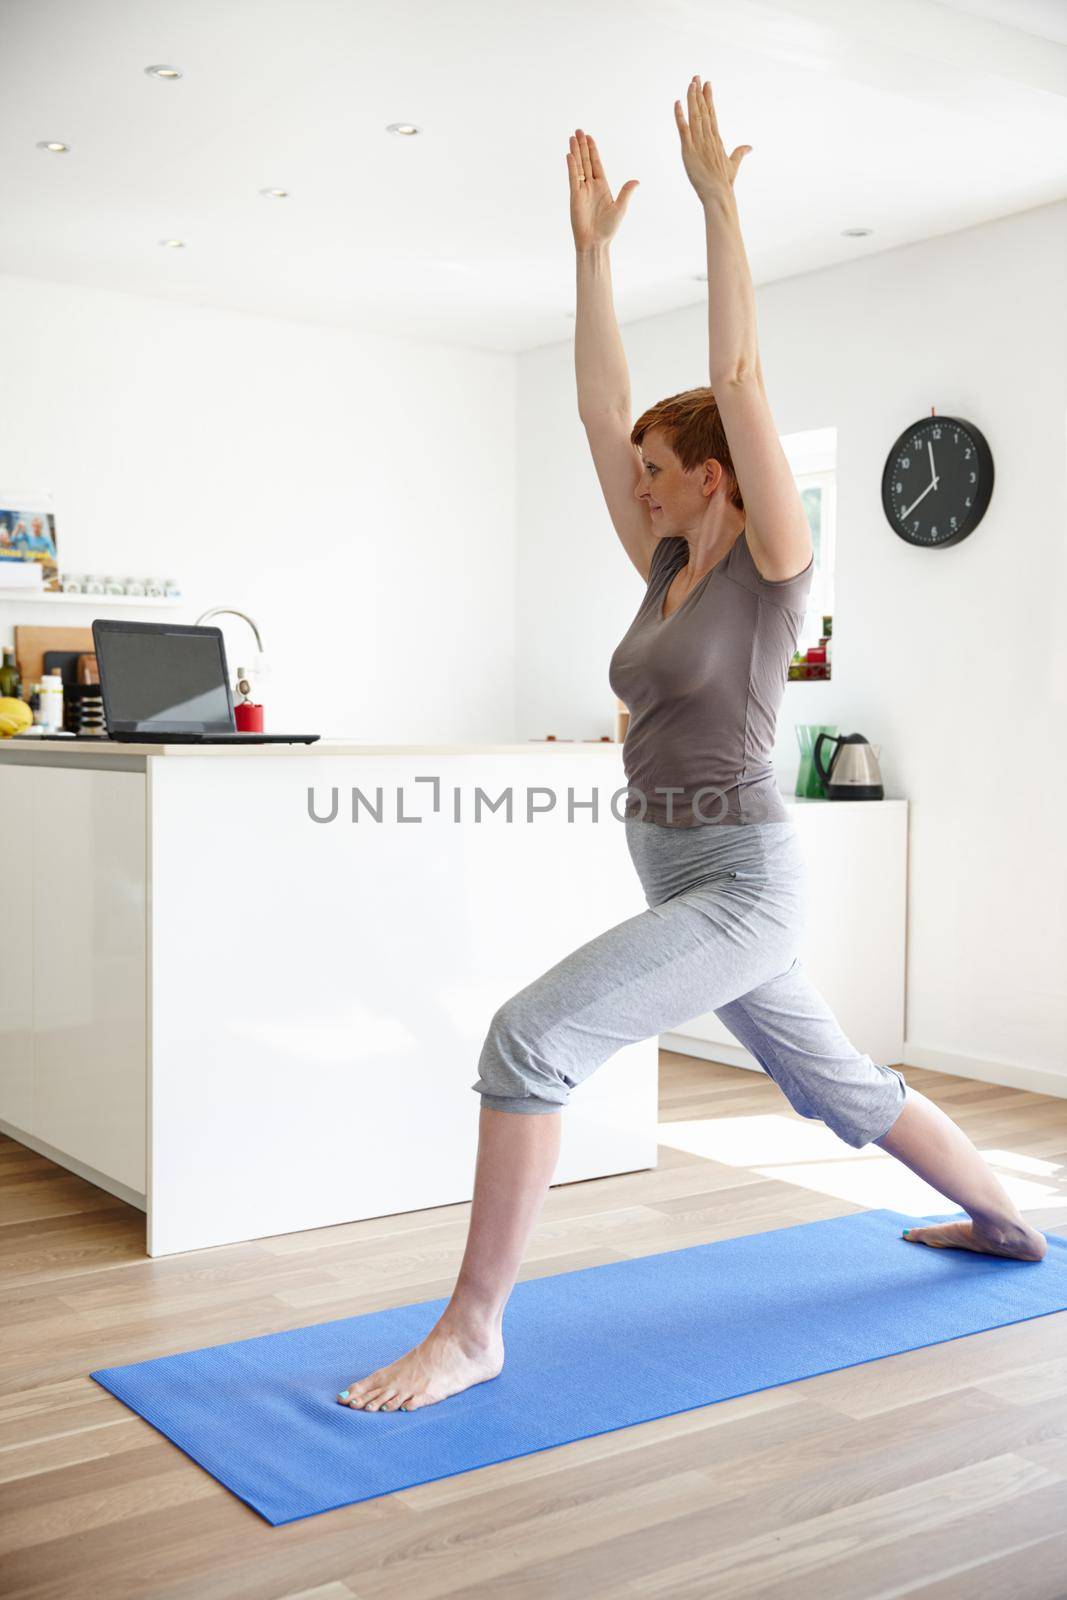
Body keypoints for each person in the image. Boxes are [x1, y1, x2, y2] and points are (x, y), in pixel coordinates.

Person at [337, 75, 1047, 1417]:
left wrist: (722, 207)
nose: (639, 478)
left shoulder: (774, 564)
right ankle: (1010, 1222)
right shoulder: (661, 564)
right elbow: (606, 407)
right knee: (841, 1089)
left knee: (528, 1039)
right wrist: (591, 258)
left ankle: (474, 1328)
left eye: (662, 468)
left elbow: (739, 379)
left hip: (741, 880)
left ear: (714, 475)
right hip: (676, 878)